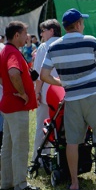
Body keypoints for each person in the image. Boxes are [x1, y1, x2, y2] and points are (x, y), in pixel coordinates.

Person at [41, 8, 96, 190]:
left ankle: (74, 183)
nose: (83, 25)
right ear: (77, 24)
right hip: (94, 95)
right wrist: (95, 84)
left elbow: (44, 75)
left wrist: (62, 83)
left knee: (72, 141)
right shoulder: (91, 41)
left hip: (72, 98)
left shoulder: (53, 47)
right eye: (82, 22)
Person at [0, 21, 39, 190]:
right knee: (20, 146)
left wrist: (10, 88)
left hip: (8, 104)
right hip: (16, 105)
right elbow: (13, 72)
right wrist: (23, 93)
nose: (27, 37)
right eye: (25, 33)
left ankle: (7, 182)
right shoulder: (13, 53)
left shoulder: (5, 51)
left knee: (7, 146)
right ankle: (20, 184)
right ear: (17, 35)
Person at [32, 19, 61, 165]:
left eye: (43, 31)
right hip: (64, 94)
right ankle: (60, 156)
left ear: (51, 31)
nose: (41, 34)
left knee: (43, 126)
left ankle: (40, 158)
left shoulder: (44, 47)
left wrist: (36, 93)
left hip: (47, 94)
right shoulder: (65, 43)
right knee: (62, 128)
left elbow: (38, 74)